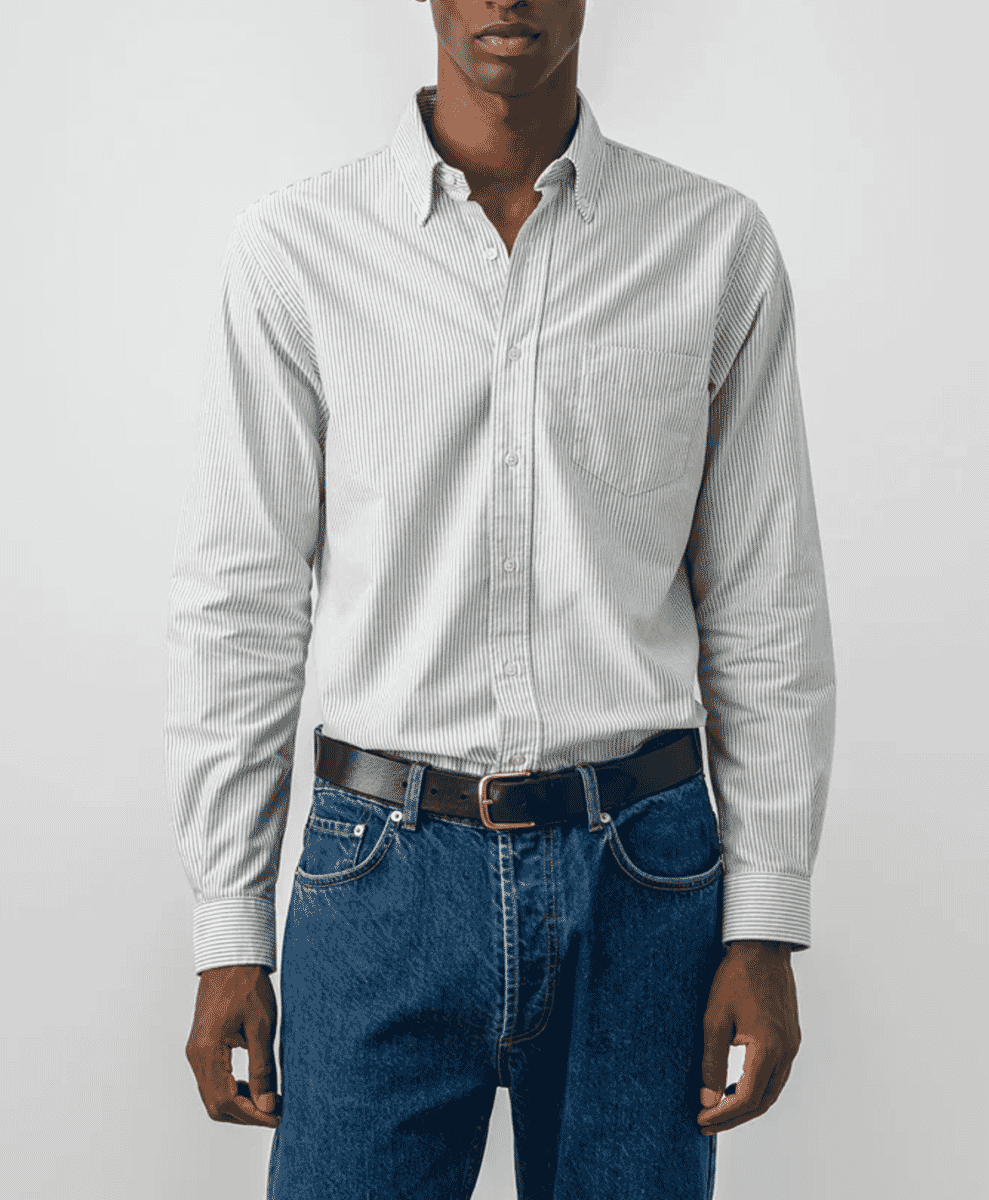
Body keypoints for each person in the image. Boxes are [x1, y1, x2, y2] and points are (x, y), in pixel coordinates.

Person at [166, 1, 836, 1195]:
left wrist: (765, 917)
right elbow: (243, 601)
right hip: (376, 873)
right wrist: (227, 930)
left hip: (642, 880)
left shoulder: (711, 245)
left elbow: (762, 600)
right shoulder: (299, 249)